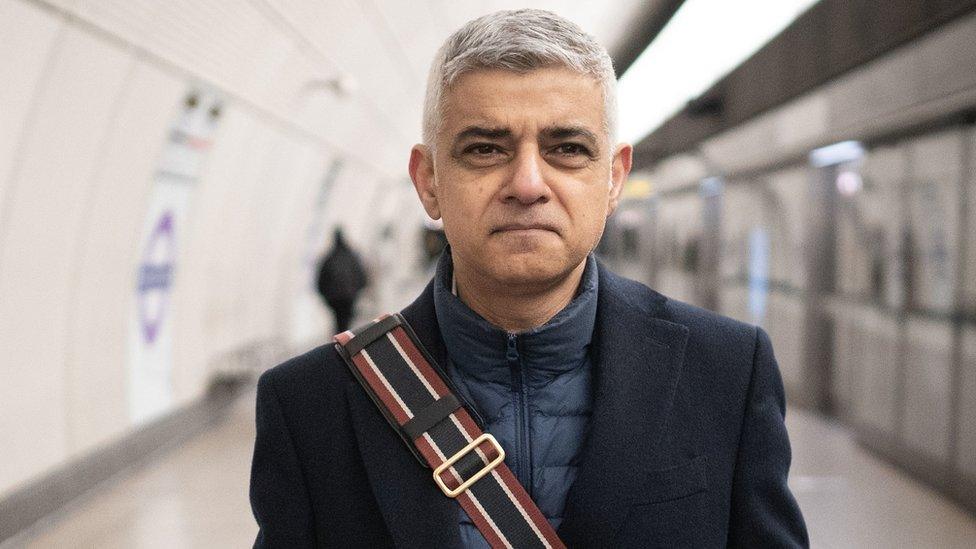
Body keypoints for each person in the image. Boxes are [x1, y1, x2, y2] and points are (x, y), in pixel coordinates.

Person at [250, 9, 808, 548]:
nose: (527, 184)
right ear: (429, 182)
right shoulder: (313, 405)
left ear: (613, 179)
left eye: (567, 149)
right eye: (485, 149)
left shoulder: (726, 374)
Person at [314, 228, 368, 332]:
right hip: (349, 297)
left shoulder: (328, 258)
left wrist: (326, 297)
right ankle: (348, 341)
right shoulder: (352, 257)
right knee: (347, 321)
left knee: (338, 322)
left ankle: (340, 341)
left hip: (334, 299)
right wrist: (357, 291)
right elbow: (361, 276)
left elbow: (321, 280)